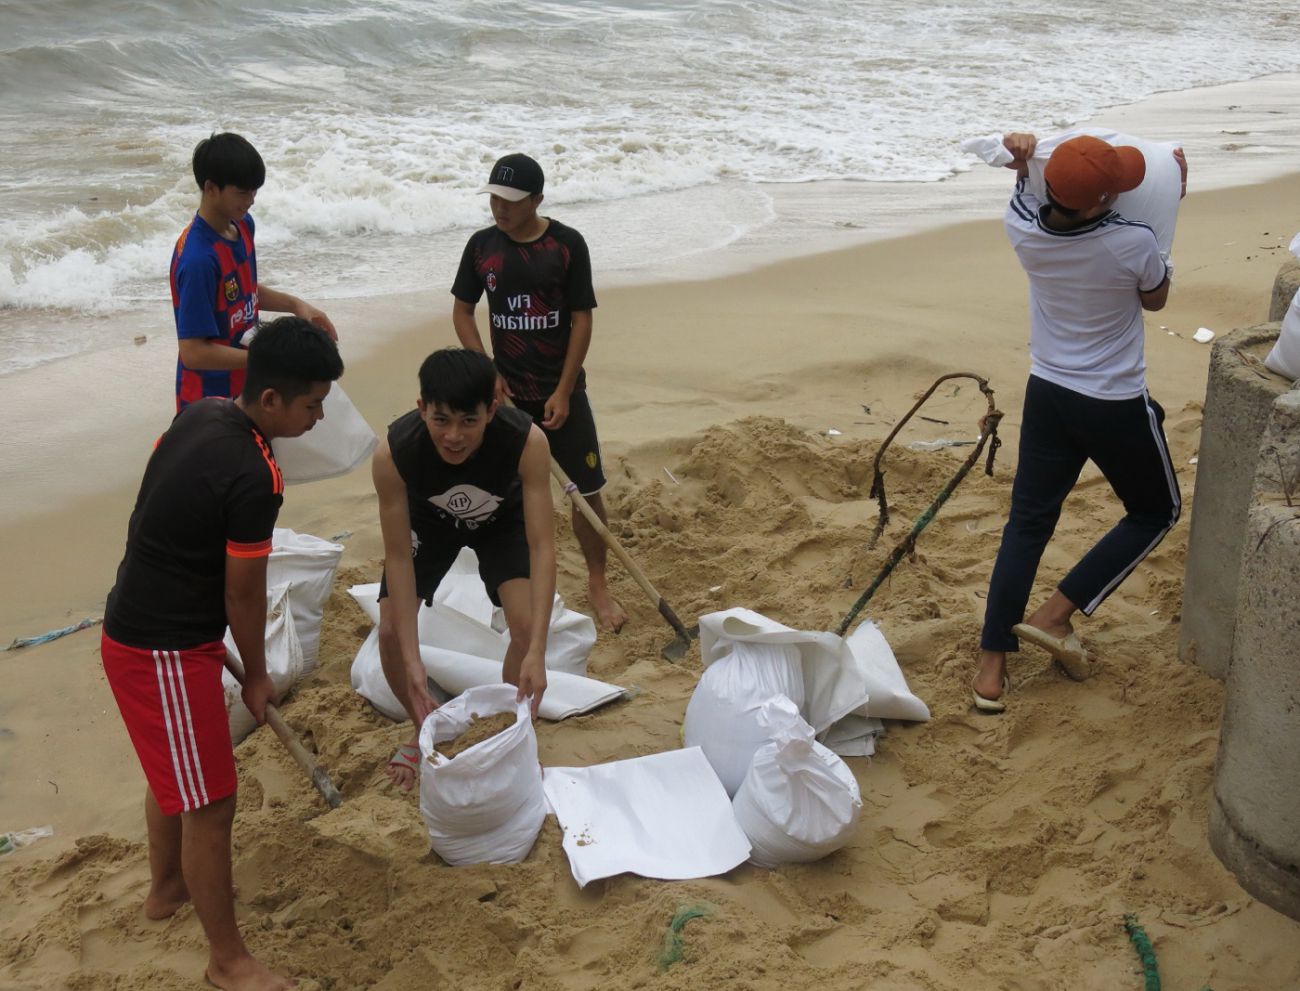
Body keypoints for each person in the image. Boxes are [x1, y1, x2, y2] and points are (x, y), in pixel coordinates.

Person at [101, 317, 343, 990]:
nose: (320, 416)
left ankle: (167, 887)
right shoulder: (257, 474)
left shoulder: (199, 414)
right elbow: (245, 592)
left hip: (138, 622)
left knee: (175, 770)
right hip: (163, 649)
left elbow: (154, 502)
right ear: (271, 401)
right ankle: (227, 960)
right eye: (312, 404)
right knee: (211, 800)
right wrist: (260, 676)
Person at [972, 133, 1188, 713]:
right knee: (1156, 510)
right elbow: (1157, 299)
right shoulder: (1132, 242)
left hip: (1048, 392)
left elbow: (1022, 188)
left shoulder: (1021, 228)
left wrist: (1021, 161)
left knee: (1027, 523)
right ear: (1101, 202)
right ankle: (1054, 616)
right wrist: (1175, 198)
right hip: (1113, 400)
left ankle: (991, 671)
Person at [451, 152, 628, 633]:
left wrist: (566, 390)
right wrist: (488, 373)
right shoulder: (482, 247)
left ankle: (597, 582)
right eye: (493, 198)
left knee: (587, 494)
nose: (499, 208)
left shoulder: (566, 245)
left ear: (537, 199)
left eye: (510, 200)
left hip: (560, 395)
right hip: (505, 400)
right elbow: (463, 312)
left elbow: (582, 318)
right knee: (501, 497)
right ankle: (507, 586)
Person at [374, 347, 556, 789]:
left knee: (527, 625)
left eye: (468, 421)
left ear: (492, 410)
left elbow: (542, 544)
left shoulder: (526, 441)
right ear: (422, 409)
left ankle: (508, 726)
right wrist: (414, 660)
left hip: (501, 517)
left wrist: (538, 651)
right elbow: (398, 557)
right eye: (441, 420)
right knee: (391, 633)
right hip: (428, 520)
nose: (454, 436)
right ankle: (420, 727)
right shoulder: (394, 453)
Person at [170, 132, 338, 411]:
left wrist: (297, 306)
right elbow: (193, 352)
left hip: (248, 385)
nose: (252, 200)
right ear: (211, 188)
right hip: (207, 400)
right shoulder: (198, 259)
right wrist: (267, 360)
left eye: (255, 190)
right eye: (243, 192)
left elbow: (243, 290)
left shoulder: (242, 225)